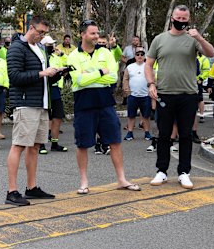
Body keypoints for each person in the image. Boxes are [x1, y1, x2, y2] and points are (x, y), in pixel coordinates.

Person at [146, 5, 214, 189]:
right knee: (164, 135)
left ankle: (184, 173)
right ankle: (161, 171)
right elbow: (149, 64)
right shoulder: (159, 39)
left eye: (185, 19)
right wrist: (151, 84)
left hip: (188, 95)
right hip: (165, 94)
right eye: (179, 18)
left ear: (188, 19)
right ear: (172, 18)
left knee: (185, 135)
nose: (181, 21)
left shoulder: (193, 39)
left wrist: (199, 37)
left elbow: (211, 53)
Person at [68, 20, 140, 195]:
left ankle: (121, 179)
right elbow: (79, 81)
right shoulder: (73, 56)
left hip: (106, 103)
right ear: (83, 34)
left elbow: (112, 78)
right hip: (84, 105)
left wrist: (89, 76)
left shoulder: (106, 53)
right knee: (83, 144)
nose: (96, 36)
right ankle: (84, 182)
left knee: (114, 141)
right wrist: (100, 72)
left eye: (97, 33)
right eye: (92, 33)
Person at [5, 15, 60, 206]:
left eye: (45, 33)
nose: (42, 36)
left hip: (41, 103)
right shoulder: (16, 48)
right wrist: (41, 73)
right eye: (40, 32)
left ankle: (31, 187)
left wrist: (56, 74)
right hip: (25, 103)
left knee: (35, 146)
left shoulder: (41, 49)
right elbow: (14, 76)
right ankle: (11, 191)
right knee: (19, 145)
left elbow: (42, 78)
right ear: (30, 28)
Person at [39, 35, 68, 154]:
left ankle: (55, 143)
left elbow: (67, 62)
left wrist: (62, 57)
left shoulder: (56, 57)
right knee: (44, 117)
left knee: (58, 116)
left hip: (55, 88)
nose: (52, 47)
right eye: (49, 45)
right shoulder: (40, 57)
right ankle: (41, 144)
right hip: (44, 88)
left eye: (52, 45)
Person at [123, 46, 153, 141]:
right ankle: (130, 133)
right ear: (134, 56)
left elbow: (153, 79)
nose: (140, 56)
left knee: (146, 116)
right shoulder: (130, 67)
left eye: (142, 54)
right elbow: (125, 79)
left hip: (146, 95)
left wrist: (152, 89)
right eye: (137, 54)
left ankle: (147, 133)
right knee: (131, 115)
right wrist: (127, 90)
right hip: (133, 96)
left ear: (144, 56)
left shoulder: (148, 66)